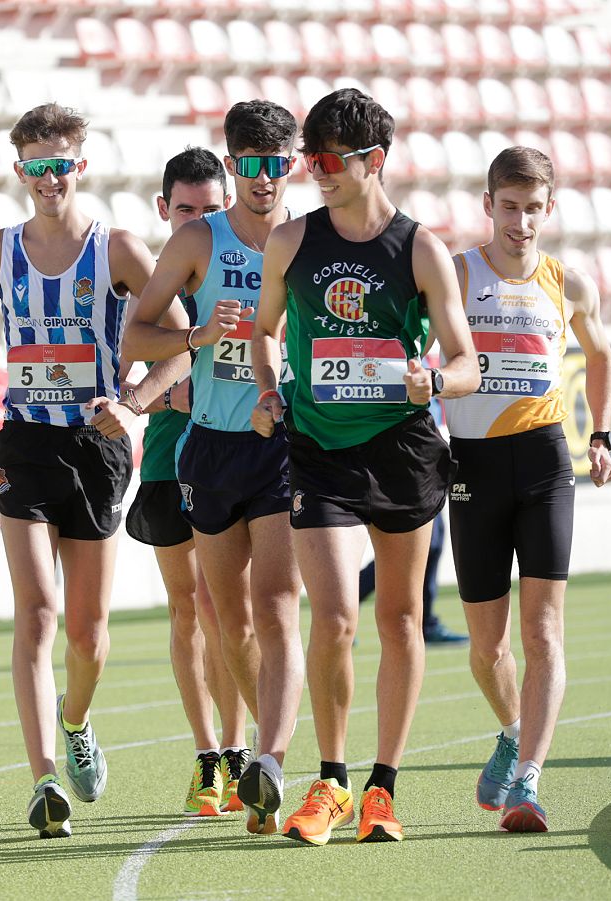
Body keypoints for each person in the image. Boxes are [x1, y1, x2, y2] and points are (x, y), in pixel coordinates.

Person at [250, 89, 480, 845]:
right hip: (317, 449)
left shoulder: (420, 249)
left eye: (326, 160)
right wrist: (266, 385)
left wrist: (433, 381)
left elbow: (468, 363)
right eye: (307, 159)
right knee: (335, 617)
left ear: (373, 161)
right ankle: (331, 780)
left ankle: (383, 786)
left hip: (405, 449)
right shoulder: (290, 240)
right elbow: (263, 332)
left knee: (400, 616)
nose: (314, 172)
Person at [0, 102, 159, 839]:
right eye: (35, 165)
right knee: (37, 611)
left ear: (81, 164)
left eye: (60, 163)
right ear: (19, 171)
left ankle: (75, 722)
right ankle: (43, 776)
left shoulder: (120, 250)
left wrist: (133, 402)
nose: (48, 177)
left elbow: (181, 335)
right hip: (25, 442)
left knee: (87, 631)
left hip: (97, 448)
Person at [124, 100, 304, 836]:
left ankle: (272, 758)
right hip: (208, 447)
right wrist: (197, 333)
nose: (264, 177)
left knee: (278, 607)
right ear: (233, 168)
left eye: (277, 163)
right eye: (251, 164)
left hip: (284, 445)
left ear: (292, 165)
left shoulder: (311, 241)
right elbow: (136, 334)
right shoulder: (200, 239)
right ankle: (249, 753)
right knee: (226, 619)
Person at [446, 146, 611, 833]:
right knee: (487, 646)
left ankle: (530, 780)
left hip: (546, 461)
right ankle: (514, 729)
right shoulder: (456, 274)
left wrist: (600, 435)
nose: (521, 221)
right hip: (472, 466)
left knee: (542, 629)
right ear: (488, 206)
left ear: (551, 209)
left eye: (533, 208)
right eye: (509, 207)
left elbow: (602, 354)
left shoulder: (568, 283)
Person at [123, 146, 249, 818]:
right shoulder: (154, 279)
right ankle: (208, 754)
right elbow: (136, 356)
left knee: (224, 609)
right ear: (163, 210)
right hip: (171, 462)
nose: (199, 218)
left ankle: (236, 748)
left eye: (210, 208)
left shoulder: (245, 271)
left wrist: (174, 382)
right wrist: (167, 382)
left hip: (232, 459)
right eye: (186, 209)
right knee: (187, 608)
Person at [357, 395, 468, 647]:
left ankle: (426, 620)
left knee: (433, 544)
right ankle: (348, 605)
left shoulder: (437, 359)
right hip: (404, 447)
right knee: (421, 546)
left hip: (428, 449)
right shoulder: (420, 356)